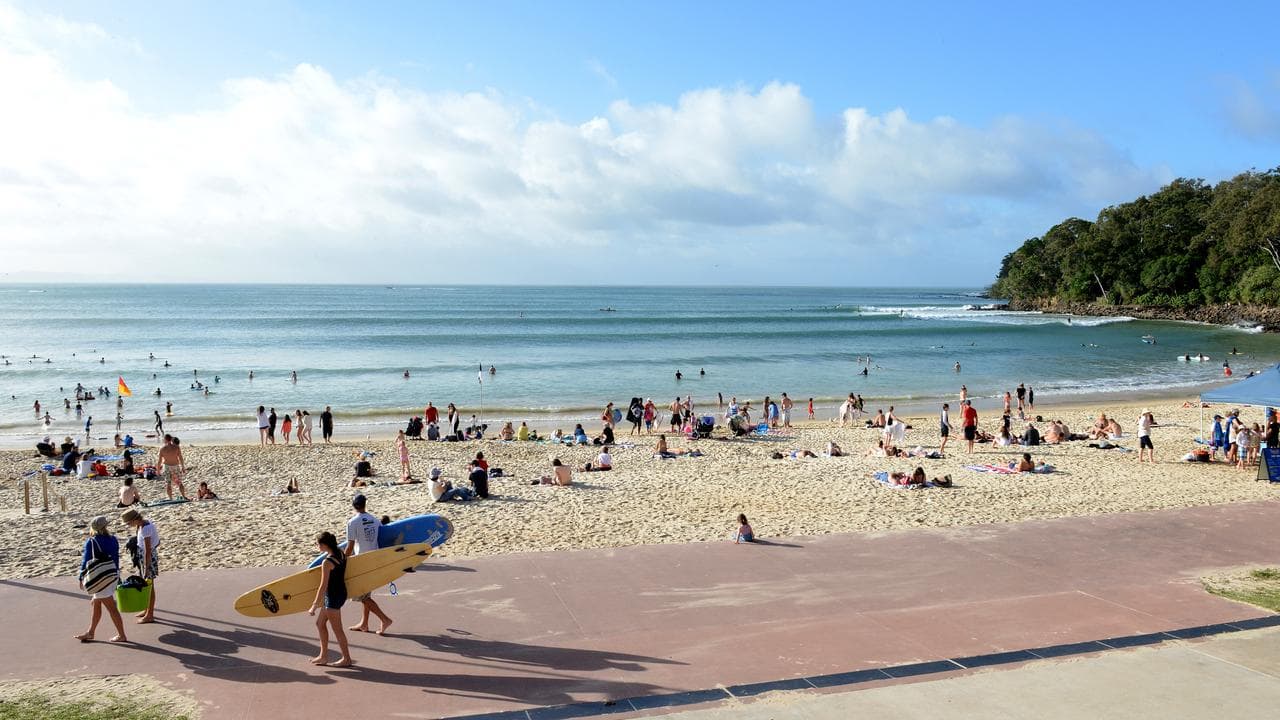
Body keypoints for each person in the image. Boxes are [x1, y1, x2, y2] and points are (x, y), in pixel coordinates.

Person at [75, 516, 127, 643]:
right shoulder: (113, 539)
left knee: (111, 607)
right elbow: (116, 557)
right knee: (96, 603)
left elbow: (86, 561)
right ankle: (90, 632)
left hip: (100, 577)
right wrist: (116, 574)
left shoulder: (92, 541)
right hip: (112, 574)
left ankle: (122, 635)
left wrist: (81, 577)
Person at [346, 495, 393, 635]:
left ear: (353, 505)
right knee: (366, 594)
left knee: (361, 596)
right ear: (365, 504)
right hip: (375, 560)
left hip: (362, 562)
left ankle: (385, 619)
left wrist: (340, 561)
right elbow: (383, 539)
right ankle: (364, 624)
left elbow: (349, 547)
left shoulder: (352, 522)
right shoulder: (375, 520)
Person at [308, 531, 353, 667]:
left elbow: (323, 586)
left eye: (318, 544)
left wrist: (314, 605)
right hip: (340, 593)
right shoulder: (341, 553)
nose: (317, 546)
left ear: (325, 545)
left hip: (333, 597)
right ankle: (323, 656)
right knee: (320, 624)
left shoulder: (327, 562)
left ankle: (346, 659)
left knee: (338, 630)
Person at [120, 508, 159, 623]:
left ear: (134, 520)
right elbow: (157, 542)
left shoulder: (145, 528)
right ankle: (147, 610)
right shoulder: (144, 524)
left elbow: (148, 550)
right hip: (146, 556)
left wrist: (146, 567)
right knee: (146, 584)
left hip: (148, 558)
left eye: (129, 523)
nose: (129, 525)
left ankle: (150, 614)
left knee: (149, 586)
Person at [156, 435, 189, 500]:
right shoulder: (176, 447)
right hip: (175, 466)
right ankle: (183, 496)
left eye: (163, 439)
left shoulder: (162, 449)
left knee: (168, 483)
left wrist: (158, 470)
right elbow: (180, 458)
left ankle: (170, 498)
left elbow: (159, 461)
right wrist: (183, 467)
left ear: (165, 440)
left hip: (167, 466)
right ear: (171, 439)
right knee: (179, 482)